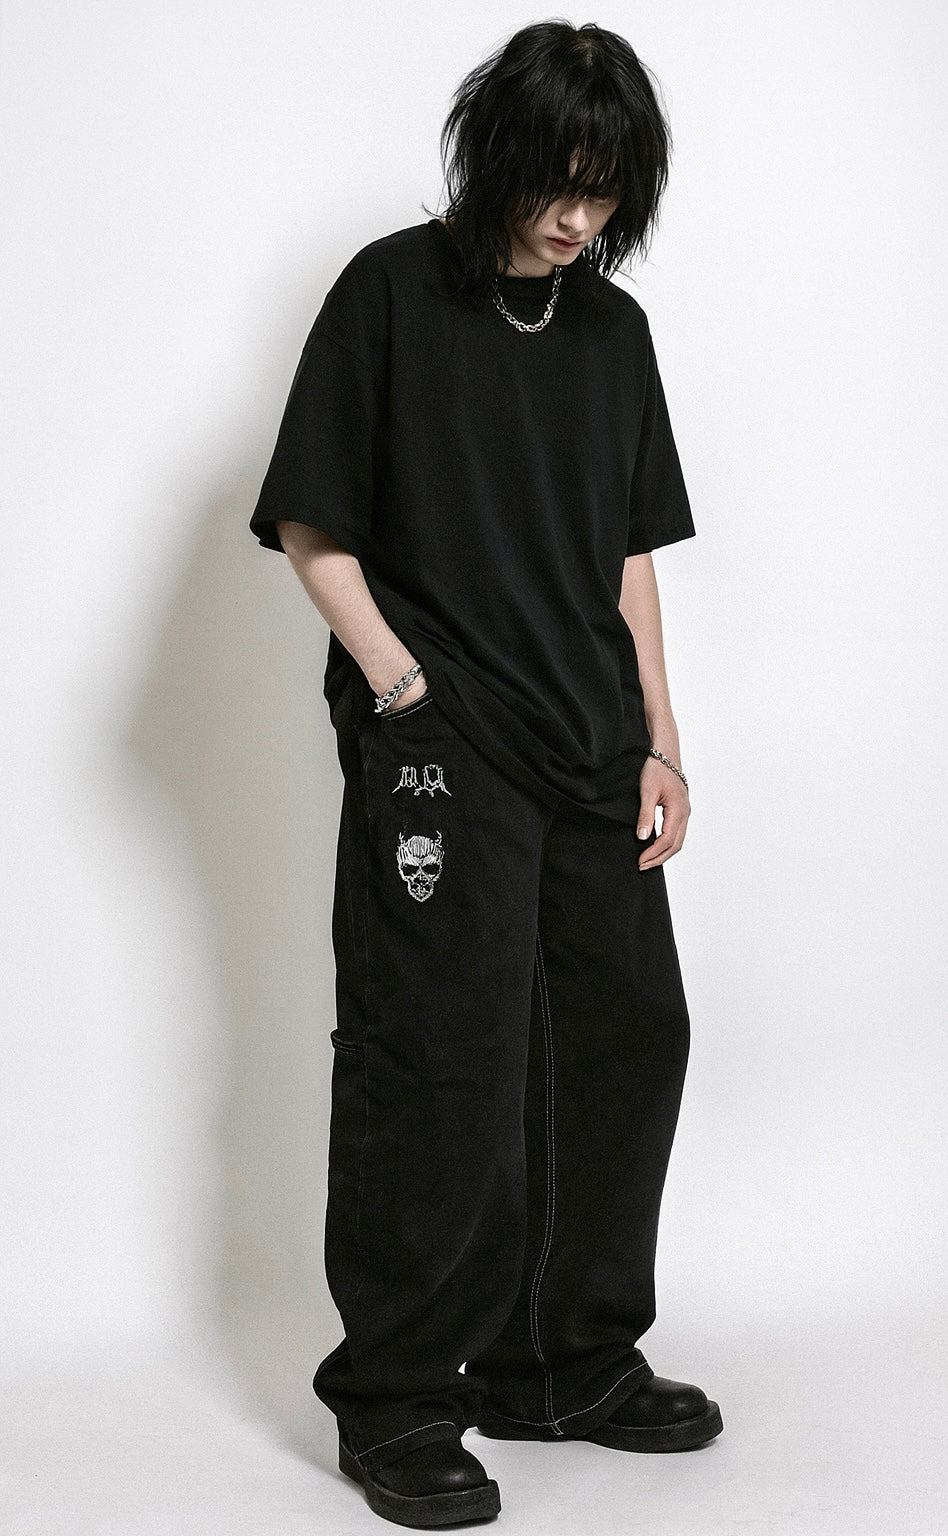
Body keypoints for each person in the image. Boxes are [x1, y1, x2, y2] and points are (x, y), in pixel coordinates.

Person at [248, 19, 722, 1529]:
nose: (578, 217)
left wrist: (660, 736)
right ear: (496, 156)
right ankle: (399, 1399)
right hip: (443, 749)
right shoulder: (390, 293)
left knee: (626, 1037)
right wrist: (403, 689)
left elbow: (629, 558)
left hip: (591, 741)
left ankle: (562, 1364)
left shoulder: (612, 334)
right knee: (440, 1061)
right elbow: (312, 525)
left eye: (606, 190)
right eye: (556, 182)